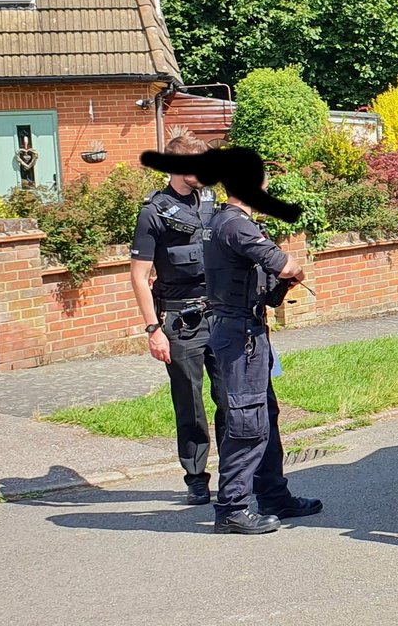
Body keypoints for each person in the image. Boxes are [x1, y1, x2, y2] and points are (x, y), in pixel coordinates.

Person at [204, 176, 322, 534]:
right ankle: (231, 509)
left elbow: (267, 279)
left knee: (264, 416)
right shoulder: (235, 225)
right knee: (247, 422)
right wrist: (294, 270)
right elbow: (285, 266)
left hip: (247, 330)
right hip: (239, 334)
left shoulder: (228, 222)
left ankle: (273, 497)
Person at [129, 133, 224, 505]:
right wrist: (153, 329)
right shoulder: (153, 212)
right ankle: (196, 477)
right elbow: (139, 276)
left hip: (220, 314)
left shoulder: (211, 202)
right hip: (181, 320)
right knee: (190, 404)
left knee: (230, 397)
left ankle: (234, 474)